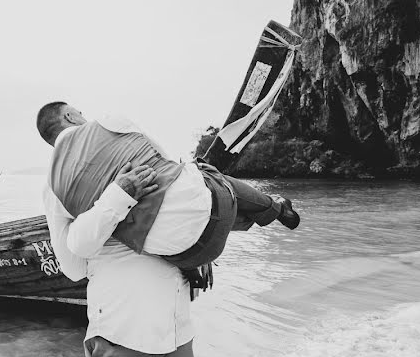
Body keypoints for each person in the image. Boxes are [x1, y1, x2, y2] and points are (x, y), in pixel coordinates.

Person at [43, 152, 199, 357]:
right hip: (126, 328)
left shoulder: (153, 162)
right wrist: (120, 194)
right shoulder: (64, 188)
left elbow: (197, 216)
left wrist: (199, 251)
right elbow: (73, 266)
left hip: (168, 327)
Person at [37, 102, 299, 291]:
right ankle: (274, 209)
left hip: (184, 255)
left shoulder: (52, 188)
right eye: (80, 112)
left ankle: (266, 211)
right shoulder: (110, 121)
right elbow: (168, 163)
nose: (85, 116)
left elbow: (74, 270)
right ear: (70, 115)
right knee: (199, 172)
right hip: (216, 207)